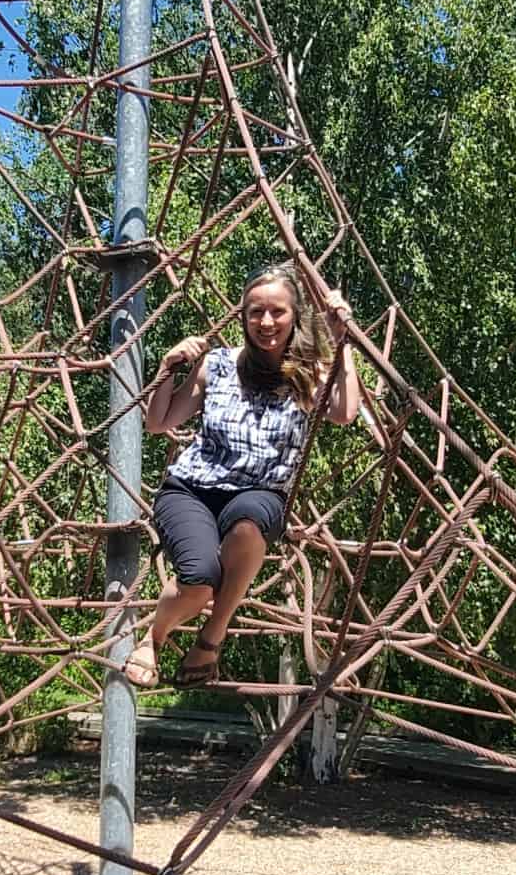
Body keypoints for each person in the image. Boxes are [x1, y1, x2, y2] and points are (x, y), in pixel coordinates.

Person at [124, 261, 361, 688]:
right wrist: (167, 367)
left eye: (277, 312)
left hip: (260, 492)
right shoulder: (217, 364)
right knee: (198, 584)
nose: (266, 322)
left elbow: (344, 412)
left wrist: (342, 345)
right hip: (193, 489)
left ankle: (211, 639)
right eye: (256, 312)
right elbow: (159, 422)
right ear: (243, 315)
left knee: (249, 526)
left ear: (294, 317)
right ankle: (153, 637)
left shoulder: (308, 371)